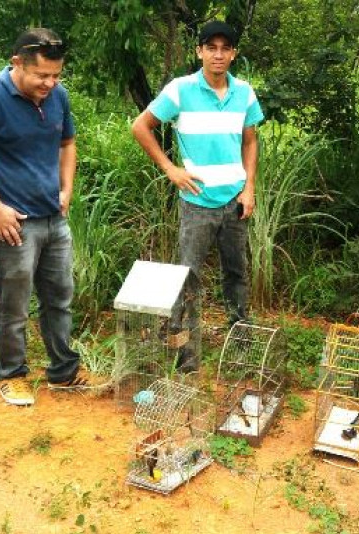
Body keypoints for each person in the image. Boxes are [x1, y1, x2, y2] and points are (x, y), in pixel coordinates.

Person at [0, 28, 96, 406]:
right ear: (17, 63)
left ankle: (63, 371)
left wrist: (67, 189)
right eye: (42, 75)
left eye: (56, 75)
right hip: (12, 222)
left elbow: (67, 143)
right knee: (14, 304)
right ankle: (11, 375)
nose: (50, 82)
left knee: (60, 298)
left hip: (53, 216)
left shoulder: (57, 96)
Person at [131, 20, 264, 370]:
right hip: (196, 203)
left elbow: (250, 140)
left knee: (236, 273)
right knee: (188, 276)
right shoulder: (180, 90)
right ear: (199, 52)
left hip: (234, 201)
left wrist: (249, 189)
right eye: (211, 48)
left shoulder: (244, 93)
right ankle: (185, 352)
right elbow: (140, 126)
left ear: (233, 54)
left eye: (225, 48)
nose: (218, 55)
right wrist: (170, 168)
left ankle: (240, 341)